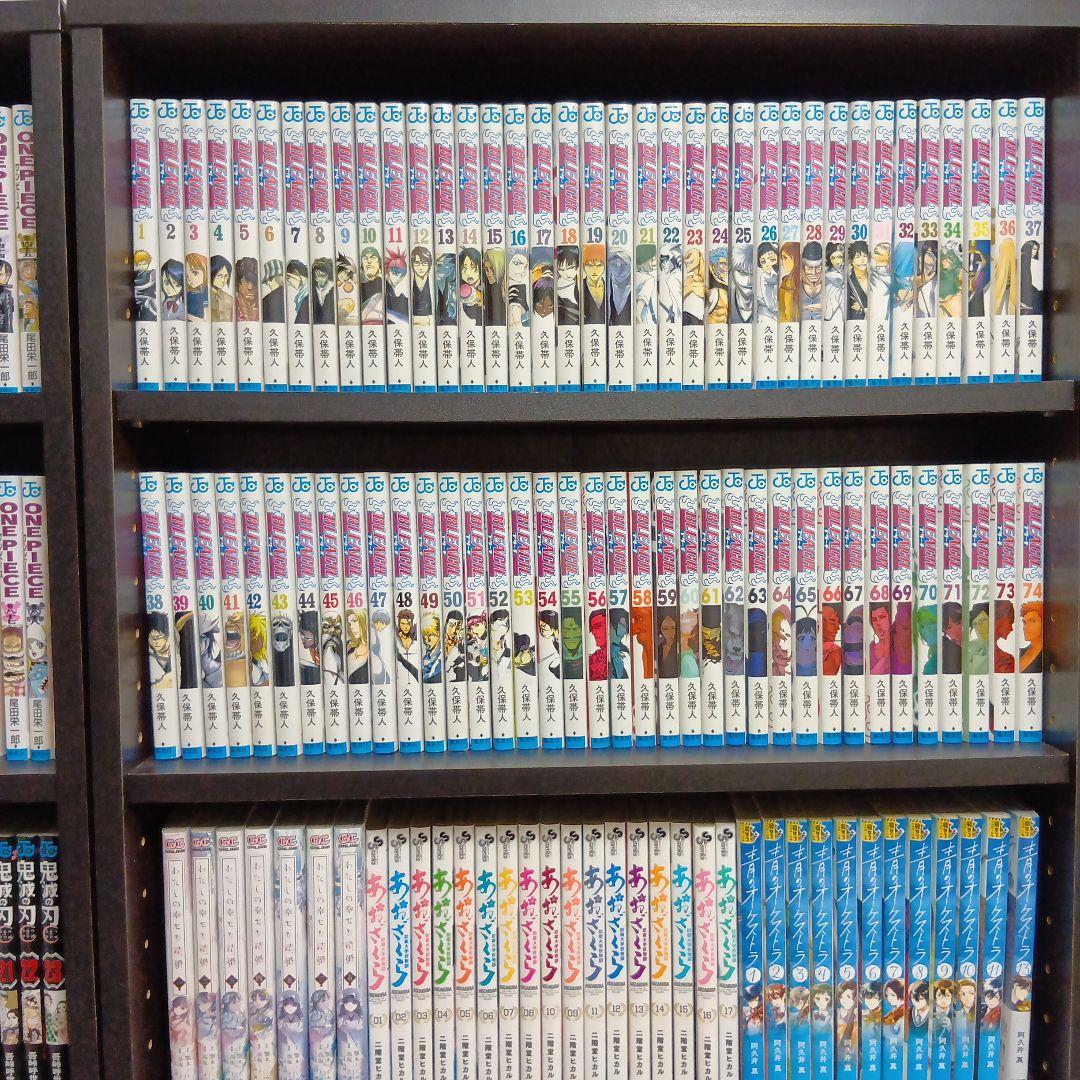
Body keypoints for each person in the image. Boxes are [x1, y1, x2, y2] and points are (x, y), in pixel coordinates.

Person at [210, 255, 233, 322]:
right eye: (219, 276)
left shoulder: (229, 298)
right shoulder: (204, 296)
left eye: (225, 276)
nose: (223, 280)